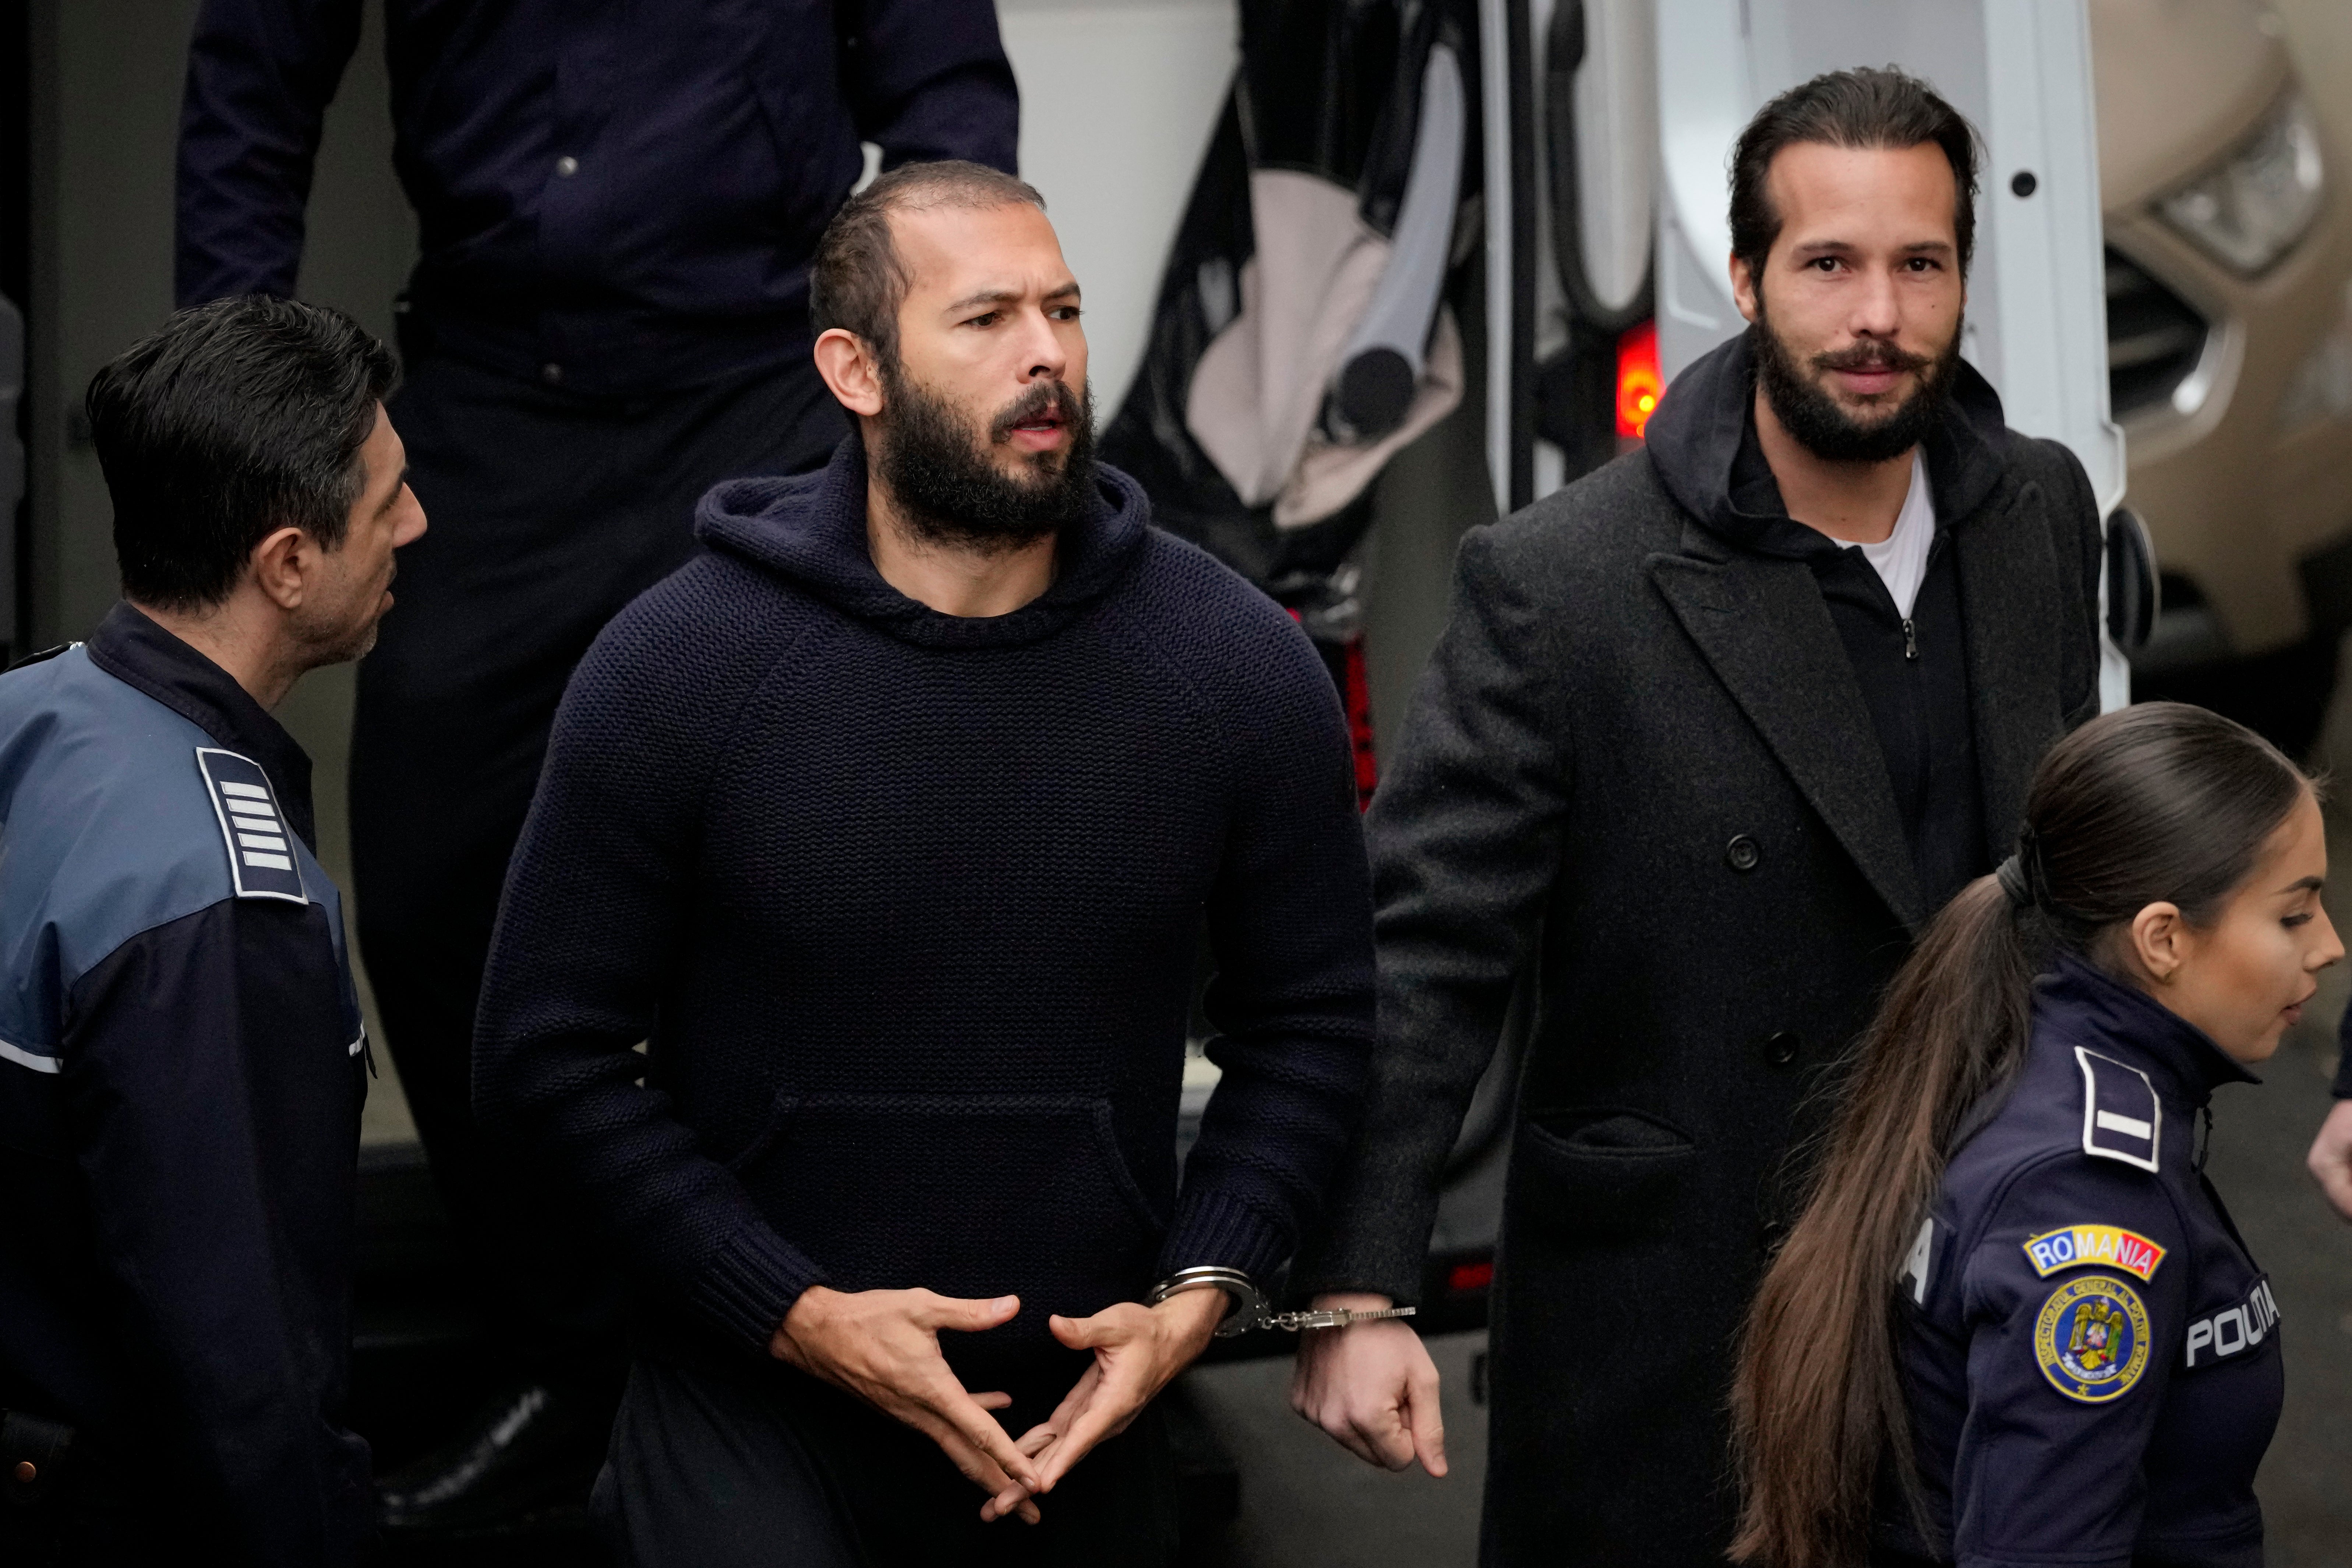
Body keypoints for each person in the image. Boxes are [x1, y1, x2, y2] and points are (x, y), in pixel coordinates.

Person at [173, 0, 1023, 1526]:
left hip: (765, 382)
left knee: (839, 880)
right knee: (437, 891)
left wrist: (944, 355)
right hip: (502, 397)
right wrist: (237, 419)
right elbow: (251, 87)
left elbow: (947, 86)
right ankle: (580, 1366)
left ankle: (834, 1358)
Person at [470, 160, 1375, 1565]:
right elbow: (544, 1055)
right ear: (856, 369)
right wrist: (793, 1312)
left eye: (1064, 312)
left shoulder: (1234, 670)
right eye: (988, 319)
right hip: (753, 1405)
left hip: (1089, 1416)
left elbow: (1314, 1025)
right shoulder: (682, 664)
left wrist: (1206, 1292)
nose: (1046, 357)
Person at [1287, 67, 2109, 1564]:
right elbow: (1419, 956)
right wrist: (1354, 1291)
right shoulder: (1564, 579)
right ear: (1742, 278)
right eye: (1827, 263)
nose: (1876, 316)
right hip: (1683, 1306)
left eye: (1918, 265)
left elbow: (2073, 883)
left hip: (1989, 1286)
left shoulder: (2037, 512)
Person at [0, 297, 425, 1564]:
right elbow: (243, 1387)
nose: (417, 524)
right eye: (389, 497)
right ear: (288, 563)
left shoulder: (32, 712)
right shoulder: (221, 906)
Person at [1732, 702, 2335, 1567]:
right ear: (2163, 939)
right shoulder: (2088, 1193)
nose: (2331, 948)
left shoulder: (2038, 1049)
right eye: (2294, 915)